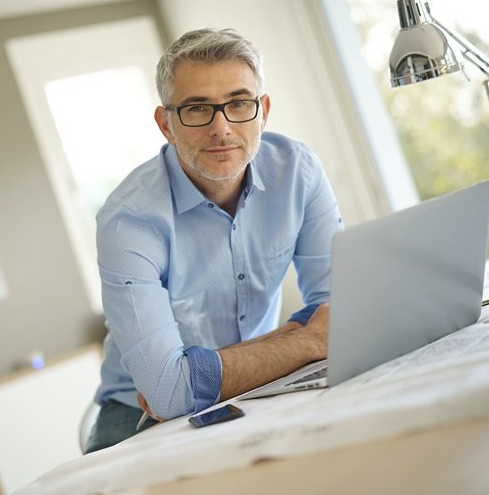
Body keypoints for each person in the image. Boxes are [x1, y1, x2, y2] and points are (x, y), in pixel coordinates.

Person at [84, 28, 343, 454]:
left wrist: (198, 374)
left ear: (264, 111)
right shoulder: (126, 221)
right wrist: (307, 340)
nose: (220, 128)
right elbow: (167, 395)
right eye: (197, 109)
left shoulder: (298, 170)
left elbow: (338, 308)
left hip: (263, 381)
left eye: (239, 103)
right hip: (136, 415)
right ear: (166, 123)